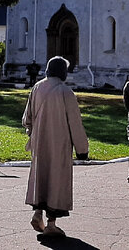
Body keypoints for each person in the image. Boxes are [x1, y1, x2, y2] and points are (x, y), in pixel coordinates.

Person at [22, 56, 89, 237]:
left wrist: (33, 132)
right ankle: (51, 224)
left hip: (39, 143)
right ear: (62, 71)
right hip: (59, 145)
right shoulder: (66, 93)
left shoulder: (37, 88)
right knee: (56, 181)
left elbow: (26, 118)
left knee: (41, 177)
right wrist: (82, 149)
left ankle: (37, 214)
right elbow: (75, 124)